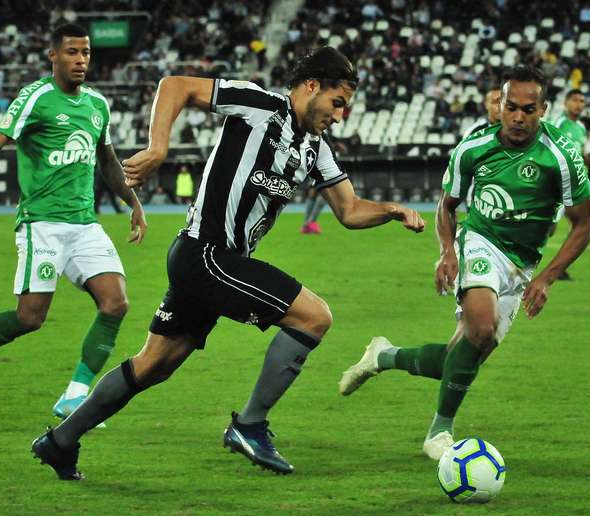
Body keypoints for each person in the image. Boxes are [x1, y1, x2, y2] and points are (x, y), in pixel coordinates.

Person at [31, 46, 425, 480]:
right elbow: (175, 86)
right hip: (205, 254)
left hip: (210, 263)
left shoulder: (315, 148)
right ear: (312, 86)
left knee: (154, 363)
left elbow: (349, 211)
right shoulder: (259, 105)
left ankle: (60, 441)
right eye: (337, 102)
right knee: (314, 317)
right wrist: (158, 147)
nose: (340, 114)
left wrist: (391, 210)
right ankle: (250, 425)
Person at [338, 65, 590, 461]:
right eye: (511, 106)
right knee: (480, 327)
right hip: (480, 240)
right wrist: (447, 250)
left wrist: (545, 278)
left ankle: (383, 356)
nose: (518, 116)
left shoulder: (561, 156)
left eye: (529, 109)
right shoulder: (474, 147)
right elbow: (447, 204)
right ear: (501, 104)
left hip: (523, 263)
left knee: (465, 353)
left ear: (543, 110)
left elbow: (584, 224)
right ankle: (439, 433)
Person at [0, 24, 147, 425]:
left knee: (116, 302)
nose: (81, 60)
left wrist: (134, 203)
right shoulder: (36, 98)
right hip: (42, 224)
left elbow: (107, 161)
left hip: (85, 225)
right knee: (30, 318)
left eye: (85, 53)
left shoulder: (97, 105)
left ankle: (74, 395)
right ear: (53, 56)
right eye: (72, 52)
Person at [551, 89, 590, 280]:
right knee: (549, 228)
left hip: (578, 181)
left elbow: (578, 153)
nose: (579, 104)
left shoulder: (581, 127)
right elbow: (550, 148)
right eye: (575, 100)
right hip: (560, 181)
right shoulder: (559, 123)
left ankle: (559, 268)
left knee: (581, 224)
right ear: (566, 103)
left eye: (582, 100)